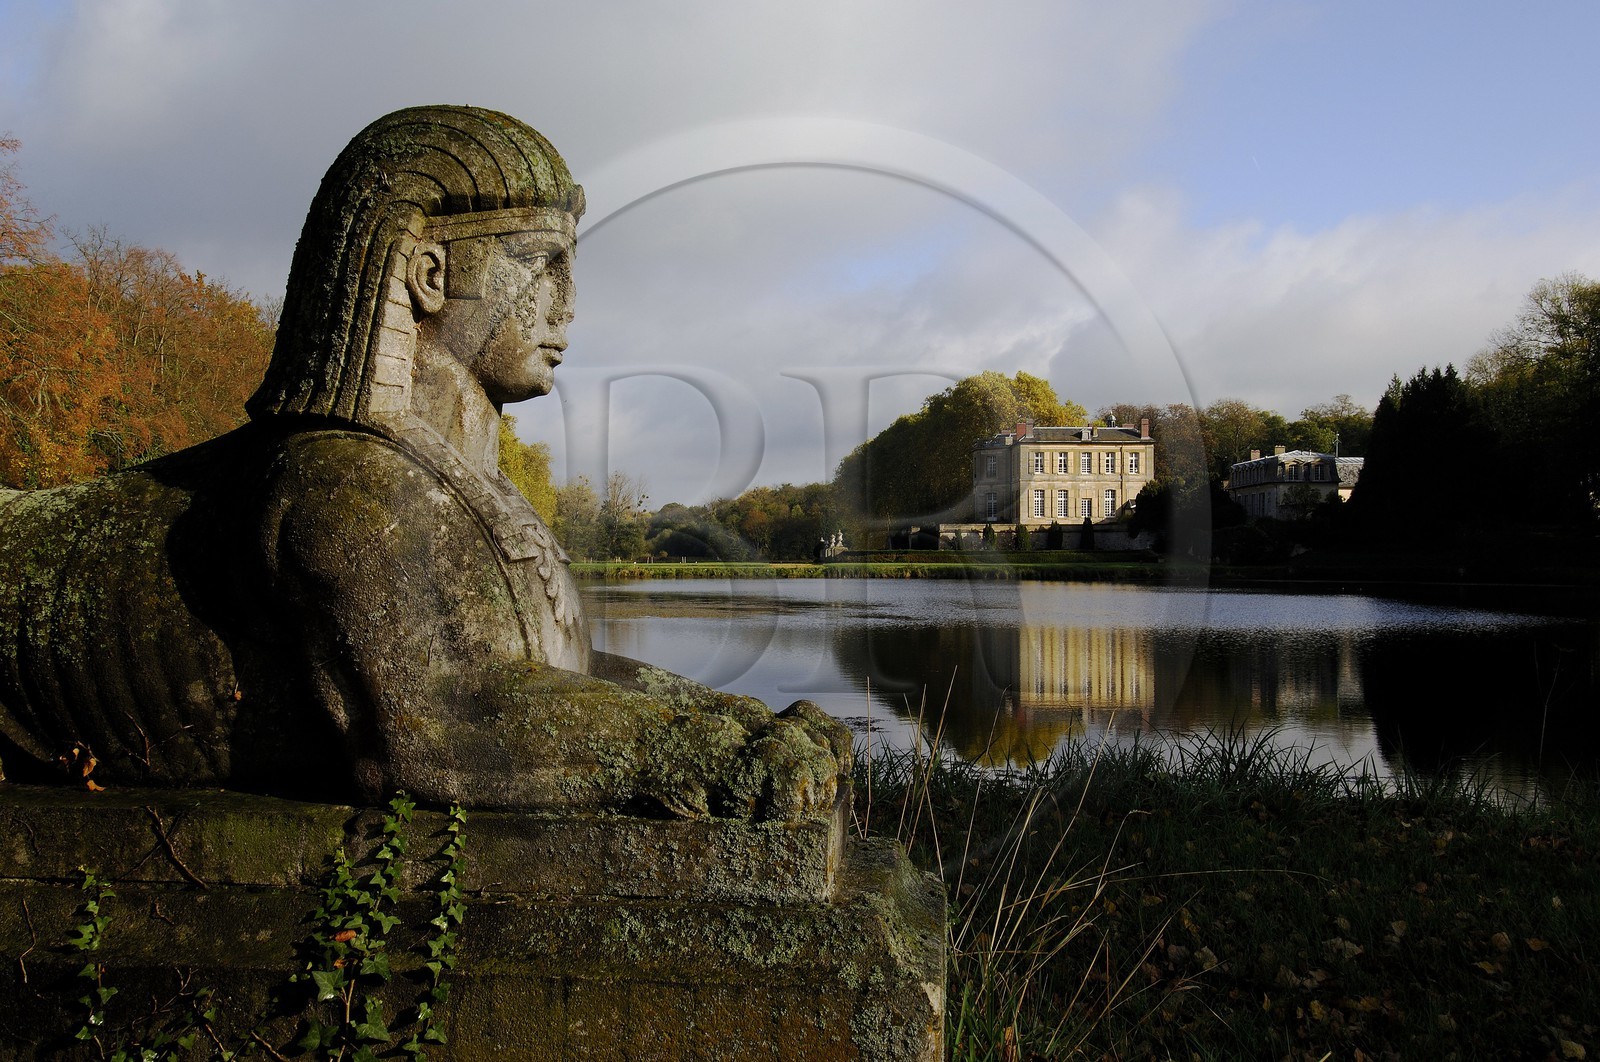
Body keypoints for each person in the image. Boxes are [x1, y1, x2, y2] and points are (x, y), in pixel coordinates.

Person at [0, 106, 846, 819]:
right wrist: (707, 758)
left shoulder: (447, 477)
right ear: (429, 274)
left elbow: (548, 676)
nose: (569, 305)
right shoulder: (343, 482)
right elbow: (437, 726)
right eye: (539, 266)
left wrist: (731, 717)